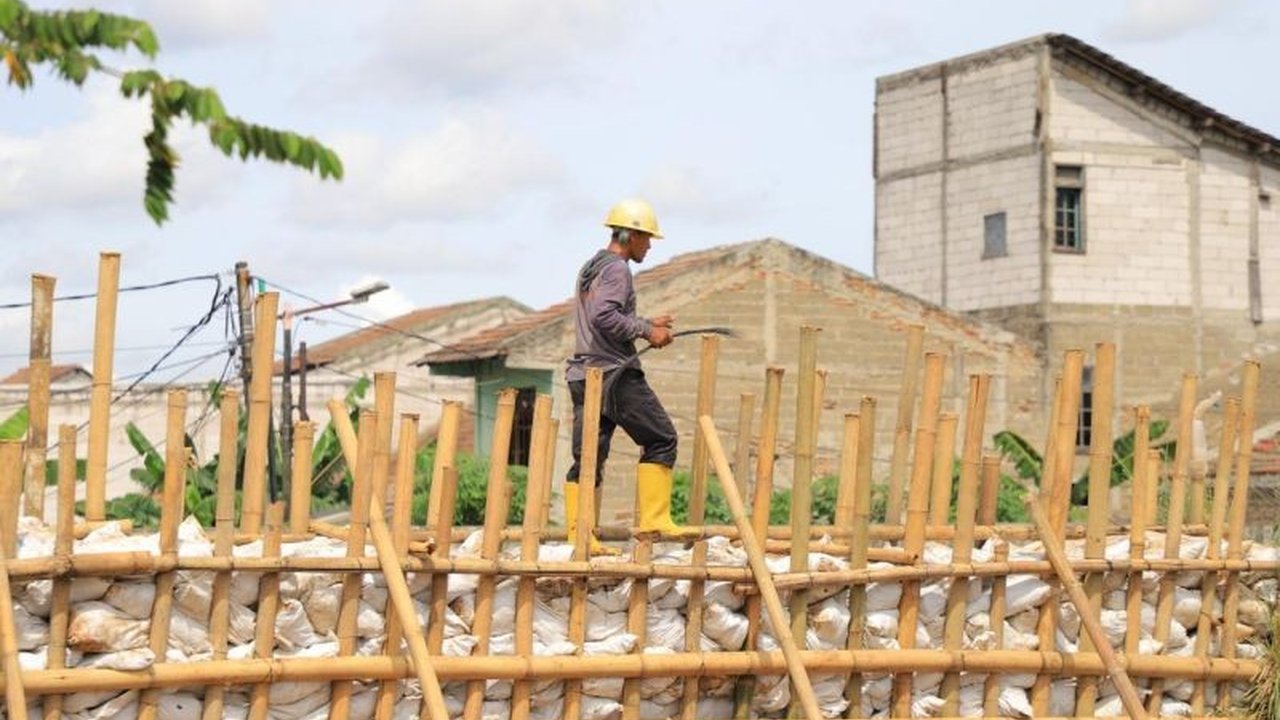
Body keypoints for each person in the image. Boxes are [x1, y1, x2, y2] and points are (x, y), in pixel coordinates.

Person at [564, 198, 688, 554]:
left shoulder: (591, 267)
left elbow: (603, 316)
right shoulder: (618, 269)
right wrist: (648, 333)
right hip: (613, 373)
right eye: (646, 238)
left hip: (583, 375)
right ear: (630, 235)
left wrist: (647, 323)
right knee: (662, 438)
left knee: (588, 458)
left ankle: (580, 536)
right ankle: (654, 520)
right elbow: (606, 317)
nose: (648, 245)